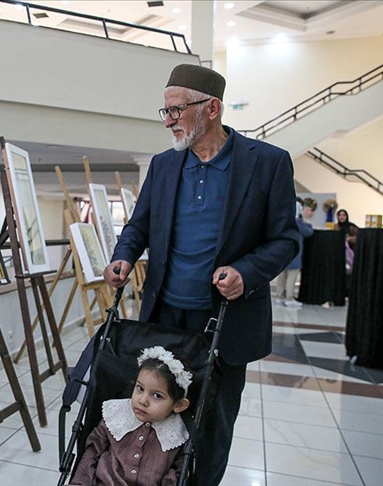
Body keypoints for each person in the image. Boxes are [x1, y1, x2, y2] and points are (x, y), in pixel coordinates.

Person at [103, 63, 299, 485]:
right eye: (165, 111)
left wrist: (246, 272)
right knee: (158, 423)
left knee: (211, 428)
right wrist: (123, 256)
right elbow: (138, 226)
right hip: (165, 320)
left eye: (177, 110)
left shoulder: (267, 163)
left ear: (212, 108)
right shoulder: (164, 166)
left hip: (227, 325)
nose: (169, 120)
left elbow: (286, 240)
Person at [71, 346, 192, 486]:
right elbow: (93, 450)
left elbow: (177, 472)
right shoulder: (115, 414)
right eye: (140, 388)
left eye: (157, 396)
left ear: (178, 405)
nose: (142, 401)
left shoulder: (177, 432)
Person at [275, 199, 315, 308]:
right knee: (292, 277)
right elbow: (309, 232)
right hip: (294, 254)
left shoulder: (284, 220)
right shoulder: (298, 222)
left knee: (282, 276)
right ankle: (289, 297)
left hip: (283, 253)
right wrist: (307, 221)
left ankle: (279, 296)